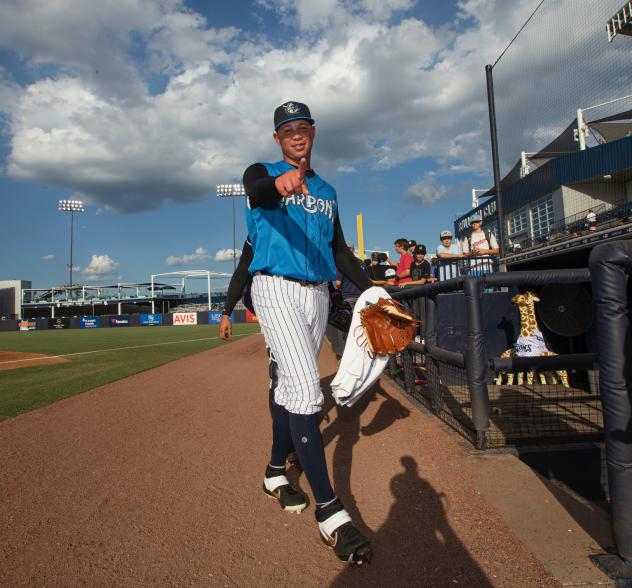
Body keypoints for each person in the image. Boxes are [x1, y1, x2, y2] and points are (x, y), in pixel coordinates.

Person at [242, 100, 373, 564]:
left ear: (313, 132)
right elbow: (258, 190)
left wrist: (374, 291)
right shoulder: (262, 171)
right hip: (275, 287)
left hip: (317, 294)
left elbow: (338, 249)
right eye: (287, 130)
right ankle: (331, 511)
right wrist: (279, 184)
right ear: (278, 138)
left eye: (302, 127)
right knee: (305, 392)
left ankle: (275, 471)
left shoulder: (329, 191)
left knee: (287, 388)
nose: (296, 134)